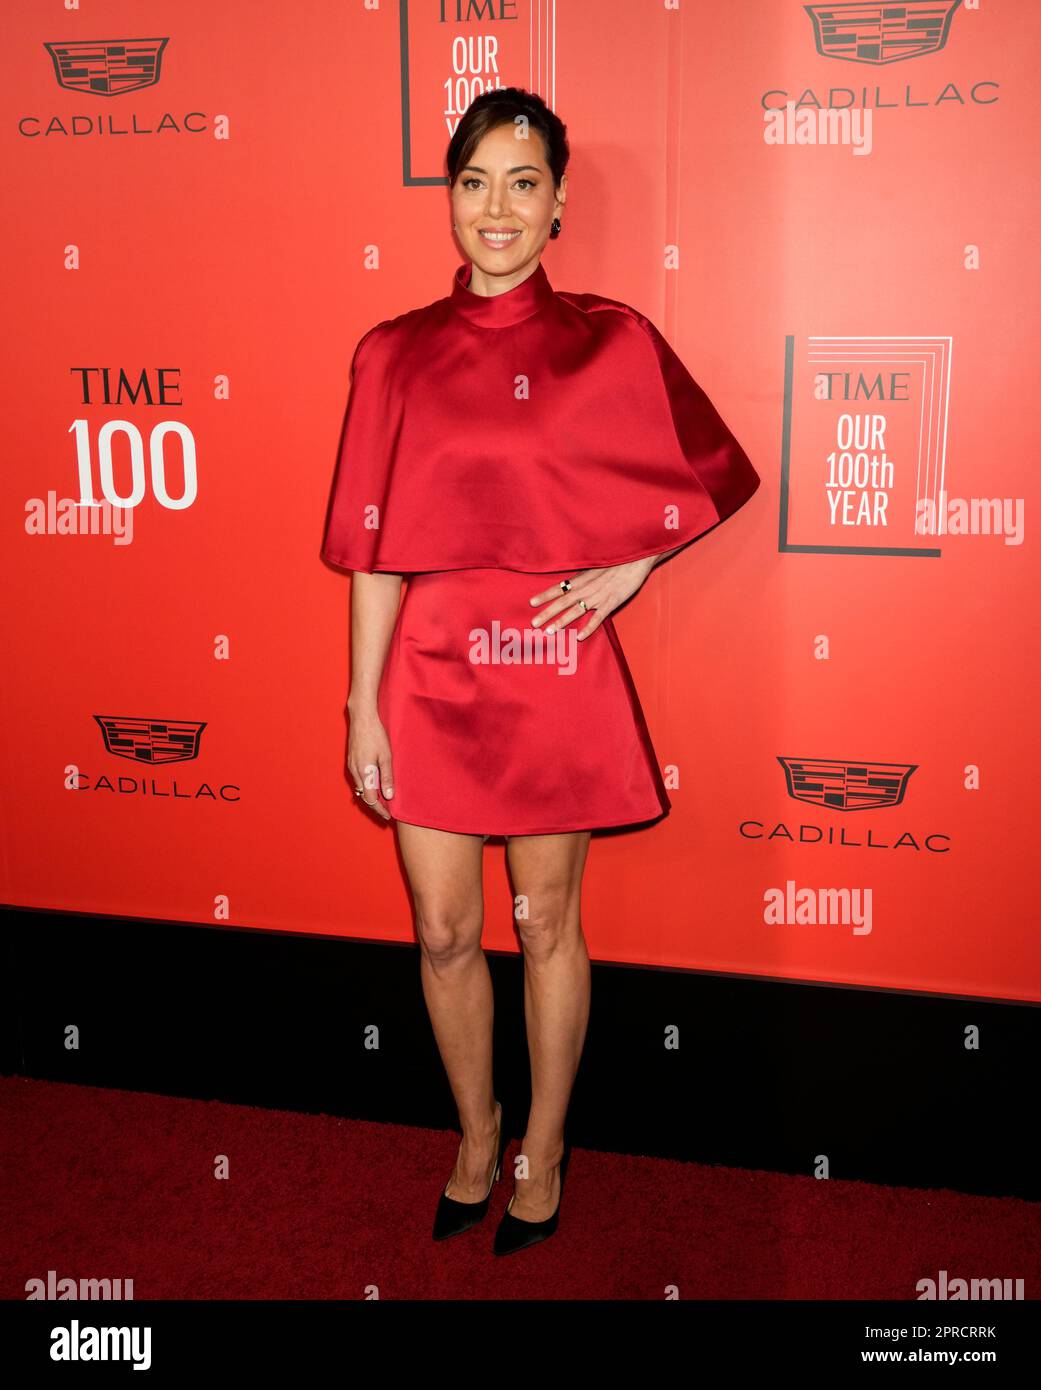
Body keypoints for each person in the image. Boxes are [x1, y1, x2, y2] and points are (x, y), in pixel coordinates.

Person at [321, 87, 760, 1255]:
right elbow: (370, 547)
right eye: (474, 182)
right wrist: (361, 703)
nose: (497, 208)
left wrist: (631, 564)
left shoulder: (606, 338)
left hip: (548, 659)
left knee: (547, 920)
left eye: (523, 183)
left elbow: (714, 465)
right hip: (427, 669)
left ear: (559, 204)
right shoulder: (392, 354)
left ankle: (545, 1146)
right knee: (445, 931)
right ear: (449, 200)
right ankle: (476, 1136)